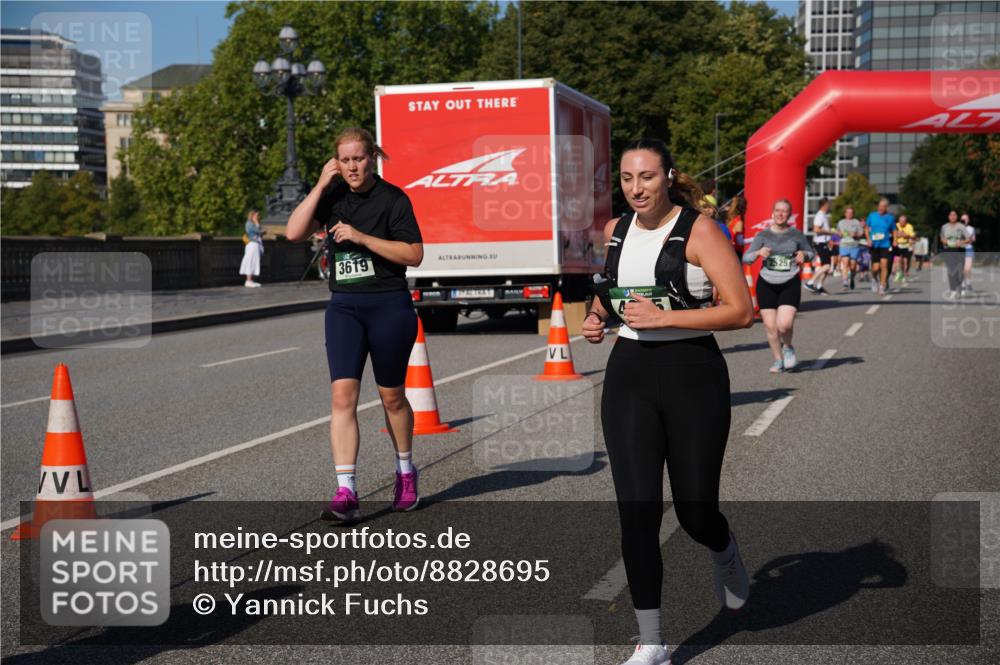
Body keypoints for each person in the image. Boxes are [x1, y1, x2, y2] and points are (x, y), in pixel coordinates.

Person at [583, 139, 753, 665]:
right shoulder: (614, 231)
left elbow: (741, 310)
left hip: (692, 375)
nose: (636, 188)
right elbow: (609, 288)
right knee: (637, 513)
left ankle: (723, 549)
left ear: (668, 176)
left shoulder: (699, 229)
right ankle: (651, 641)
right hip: (629, 375)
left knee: (695, 510)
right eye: (628, 178)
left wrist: (665, 318)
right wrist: (595, 317)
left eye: (647, 178)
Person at [286, 127, 425, 521]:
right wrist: (319, 184)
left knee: (392, 397)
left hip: (389, 306)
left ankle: (404, 471)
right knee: (342, 397)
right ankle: (346, 490)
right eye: (344, 160)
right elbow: (295, 231)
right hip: (345, 308)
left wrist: (362, 237)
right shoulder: (332, 196)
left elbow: (414, 254)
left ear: (372, 157)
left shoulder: (393, 199)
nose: (352, 167)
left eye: (358, 158)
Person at [742, 199, 815, 373]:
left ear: (789, 215)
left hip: (789, 281)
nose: (781, 214)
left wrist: (804, 255)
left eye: (784, 211)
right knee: (770, 326)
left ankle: (788, 347)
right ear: (773, 213)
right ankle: (777, 360)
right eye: (778, 210)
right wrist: (759, 253)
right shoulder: (763, 235)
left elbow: (811, 253)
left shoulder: (796, 235)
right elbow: (746, 258)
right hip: (766, 283)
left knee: (784, 324)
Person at [865, 198, 895, 295]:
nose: (881, 208)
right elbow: (866, 228)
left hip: (885, 244)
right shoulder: (872, 216)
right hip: (874, 244)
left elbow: (894, 230)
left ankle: (882, 286)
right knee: (875, 268)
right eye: (880, 206)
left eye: (883, 206)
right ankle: (874, 279)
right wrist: (868, 239)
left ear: (887, 207)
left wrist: (895, 240)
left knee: (884, 265)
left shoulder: (890, 218)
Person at [804, 198, 832, 294]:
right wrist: (829, 232)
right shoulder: (820, 215)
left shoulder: (823, 215)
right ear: (824, 205)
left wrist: (829, 237)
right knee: (827, 265)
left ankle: (819, 286)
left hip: (824, 242)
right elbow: (816, 229)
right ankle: (810, 282)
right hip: (820, 243)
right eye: (828, 204)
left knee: (827, 266)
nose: (829, 206)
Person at [939, 210, 968, 298]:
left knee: (959, 270)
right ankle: (953, 290)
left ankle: (961, 285)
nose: (952, 217)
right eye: (951, 215)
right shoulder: (944, 227)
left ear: (957, 217)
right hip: (949, 250)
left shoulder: (961, 226)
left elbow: (968, 239)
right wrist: (943, 240)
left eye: (954, 215)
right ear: (948, 217)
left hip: (960, 250)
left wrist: (961, 242)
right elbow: (942, 237)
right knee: (951, 270)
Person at [837, 207, 864, 290]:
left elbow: (861, 233)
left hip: (854, 245)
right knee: (845, 263)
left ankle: (852, 278)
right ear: (845, 213)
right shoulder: (841, 222)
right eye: (848, 212)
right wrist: (839, 234)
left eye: (851, 213)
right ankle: (845, 282)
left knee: (853, 266)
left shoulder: (856, 222)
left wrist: (856, 235)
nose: (849, 214)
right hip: (844, 245)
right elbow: (838, 232)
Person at [239, 209, 263, 287]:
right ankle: (248, 280)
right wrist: (256, 223)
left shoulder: (253, 223)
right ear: (252, 216)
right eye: (256, 215)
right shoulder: (249, 224)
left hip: (256, 244)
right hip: (252, 244)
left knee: (254, 261)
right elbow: (257, 231)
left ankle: (251, 280)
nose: (258, 217)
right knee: (250, 261)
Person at [891, 214, 916, 285]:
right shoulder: (896, 225)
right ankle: (899, 273)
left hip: (906, 245)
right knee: (897, 260)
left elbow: (912, 235)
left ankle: (903, 273)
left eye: (903, 222)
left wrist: (906, 235)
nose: (902, 223)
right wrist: (901, 235)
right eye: (900, 221)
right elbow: (894, 234)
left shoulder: (909, 226)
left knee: (905, 261)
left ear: (906, 222)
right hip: (898, 245)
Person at [961, 213, 975, 293]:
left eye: (965, 219)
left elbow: (973, 239)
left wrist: (969, 240)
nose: (964, 220)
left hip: (969, 249)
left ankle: (968, 282)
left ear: (968, 220)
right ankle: (963, 284)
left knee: (968, 268)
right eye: (962, 219)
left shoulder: (971, 229)